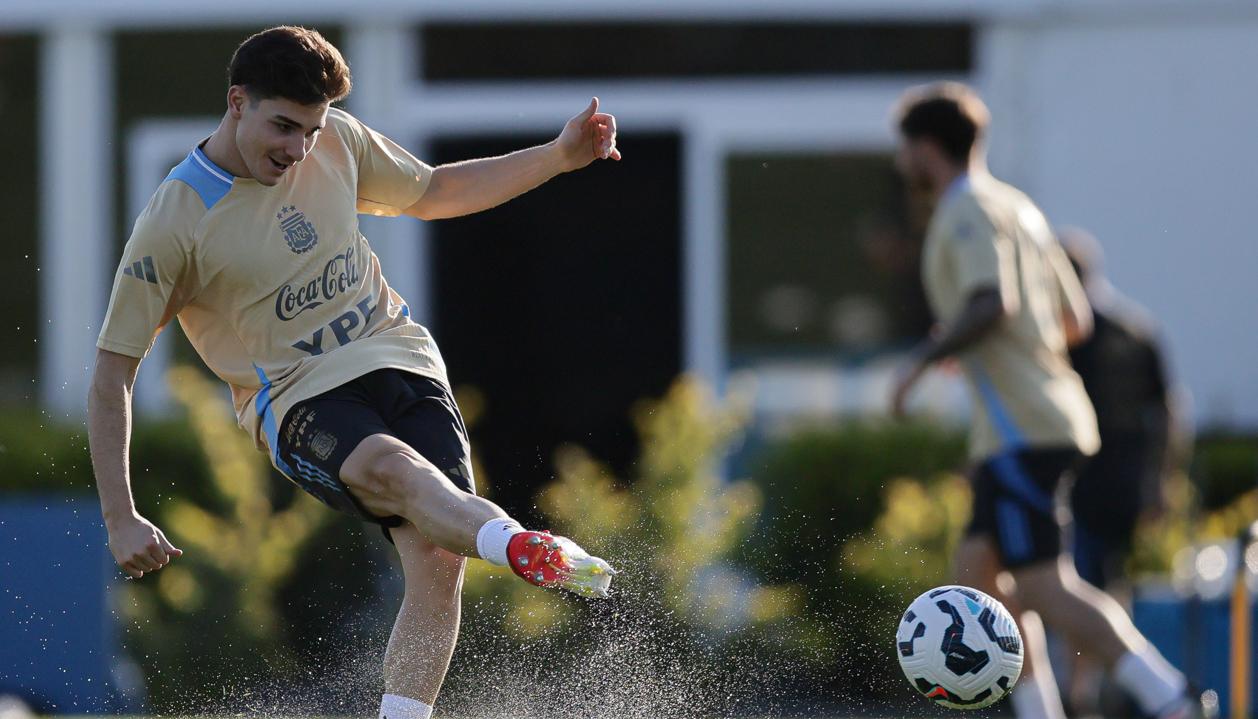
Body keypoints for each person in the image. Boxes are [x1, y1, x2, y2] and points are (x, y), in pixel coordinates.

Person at [87, 26, 617, 719]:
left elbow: (432, 190)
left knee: (437, 555)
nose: (298, 148)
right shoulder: (175, 221)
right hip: (297, 397)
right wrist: (120, 516)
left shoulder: (337, 139)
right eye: (283, 126)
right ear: (236, 101)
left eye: (310, 128)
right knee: (400, 473)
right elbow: (111, 373)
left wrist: (557, 156)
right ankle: (517, 543)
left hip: (400, 356)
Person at [888, 82, 1206, 719]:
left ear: (926, 149)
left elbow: (992, 301)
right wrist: (993, 348)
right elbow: (1074, 322)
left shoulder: (966, 207)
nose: (903, 164)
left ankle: (1171, 699)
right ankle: (1040, 713)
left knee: (1041, 584)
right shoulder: (1020, 207)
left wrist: (922, 361)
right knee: (978, 575)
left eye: (905, 150)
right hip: (1034, 418)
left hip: (1023, 428)